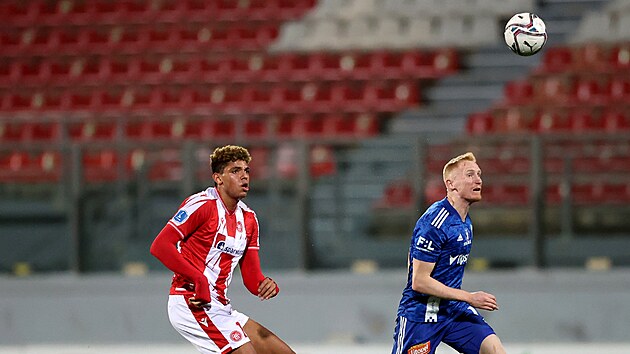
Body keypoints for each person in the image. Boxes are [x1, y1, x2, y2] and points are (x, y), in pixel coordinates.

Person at [150, 145, 295, 354]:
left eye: (246, 171)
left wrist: (265, 285)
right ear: (218, 178)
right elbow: (160, 246)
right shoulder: (202, 205)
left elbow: (252, 278)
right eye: (235, 171)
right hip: (191, 302)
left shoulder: (249, 219)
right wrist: (198, 279)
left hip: (220, 306)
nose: (244, 177)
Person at [391, 152, 506, 354]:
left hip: (453, 310)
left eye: (479, 174)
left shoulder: (465, 222)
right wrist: (469, 297)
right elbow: (419, 281)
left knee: (495, 350)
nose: (478, 179)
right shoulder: (434, 222)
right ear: (451, 184)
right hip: (421, 315)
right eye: (470, 175)